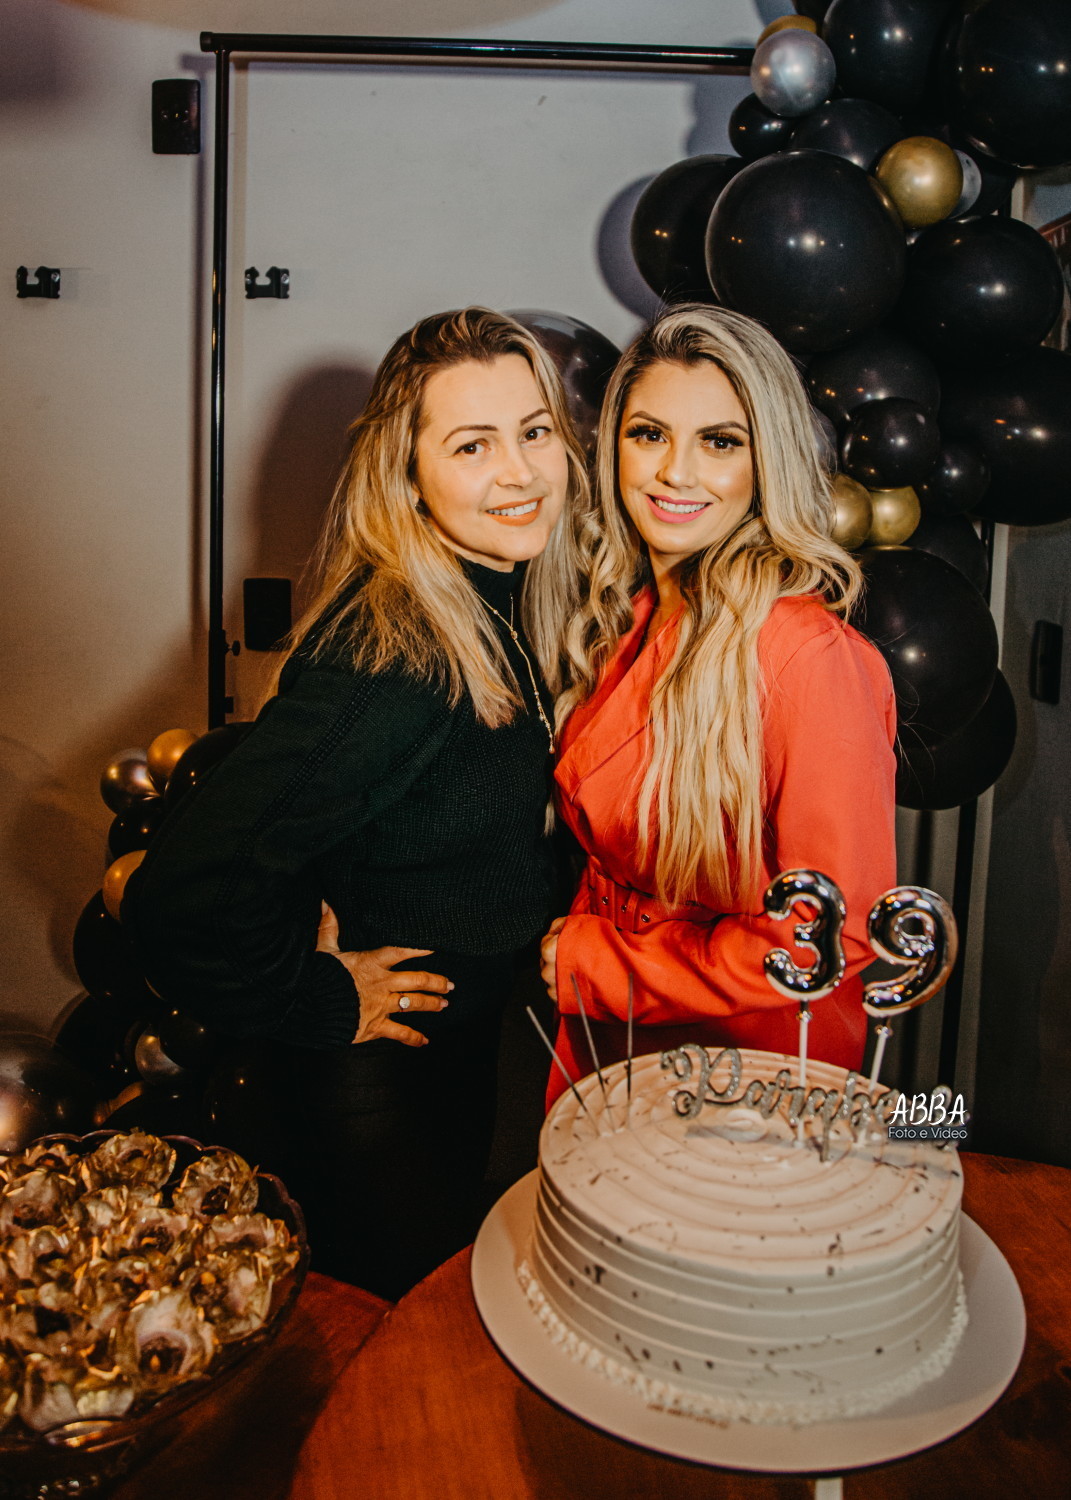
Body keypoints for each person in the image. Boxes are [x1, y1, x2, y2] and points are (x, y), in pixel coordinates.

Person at [124, 307, 588, 1297]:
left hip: (458, 1048)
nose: (520, 472)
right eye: (472, 445)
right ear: (407, 474)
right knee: (397, 1337)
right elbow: (184, 891)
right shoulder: (396, 654)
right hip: (376, 1085)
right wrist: (318, 998)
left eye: (535, 431)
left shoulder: (500, 594)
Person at [539, 304, 897, 1102]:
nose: (675, 473)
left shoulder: (807, 656)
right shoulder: (630, 617)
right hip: (605, 1039)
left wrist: (602, 964)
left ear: (766, 461)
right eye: (649, 434)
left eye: (720, 442)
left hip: (742, 1072)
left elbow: (827, 933)